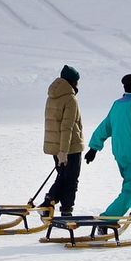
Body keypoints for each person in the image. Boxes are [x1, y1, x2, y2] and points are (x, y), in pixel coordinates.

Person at [84, 73, 131, 238]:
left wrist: (94, 148)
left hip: (120, 153)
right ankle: (107, 219)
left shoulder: (117, 105)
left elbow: (105, 126)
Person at [42, 64, 84, 217]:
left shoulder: (52, 96)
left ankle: (49, 204)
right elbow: (67, 127)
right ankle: (63, 210)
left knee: (63, 177)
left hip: (56, 146)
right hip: (69, 147)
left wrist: (59, 150)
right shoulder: (70, 99)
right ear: (72, 81)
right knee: (71, 180)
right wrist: (64, 151)